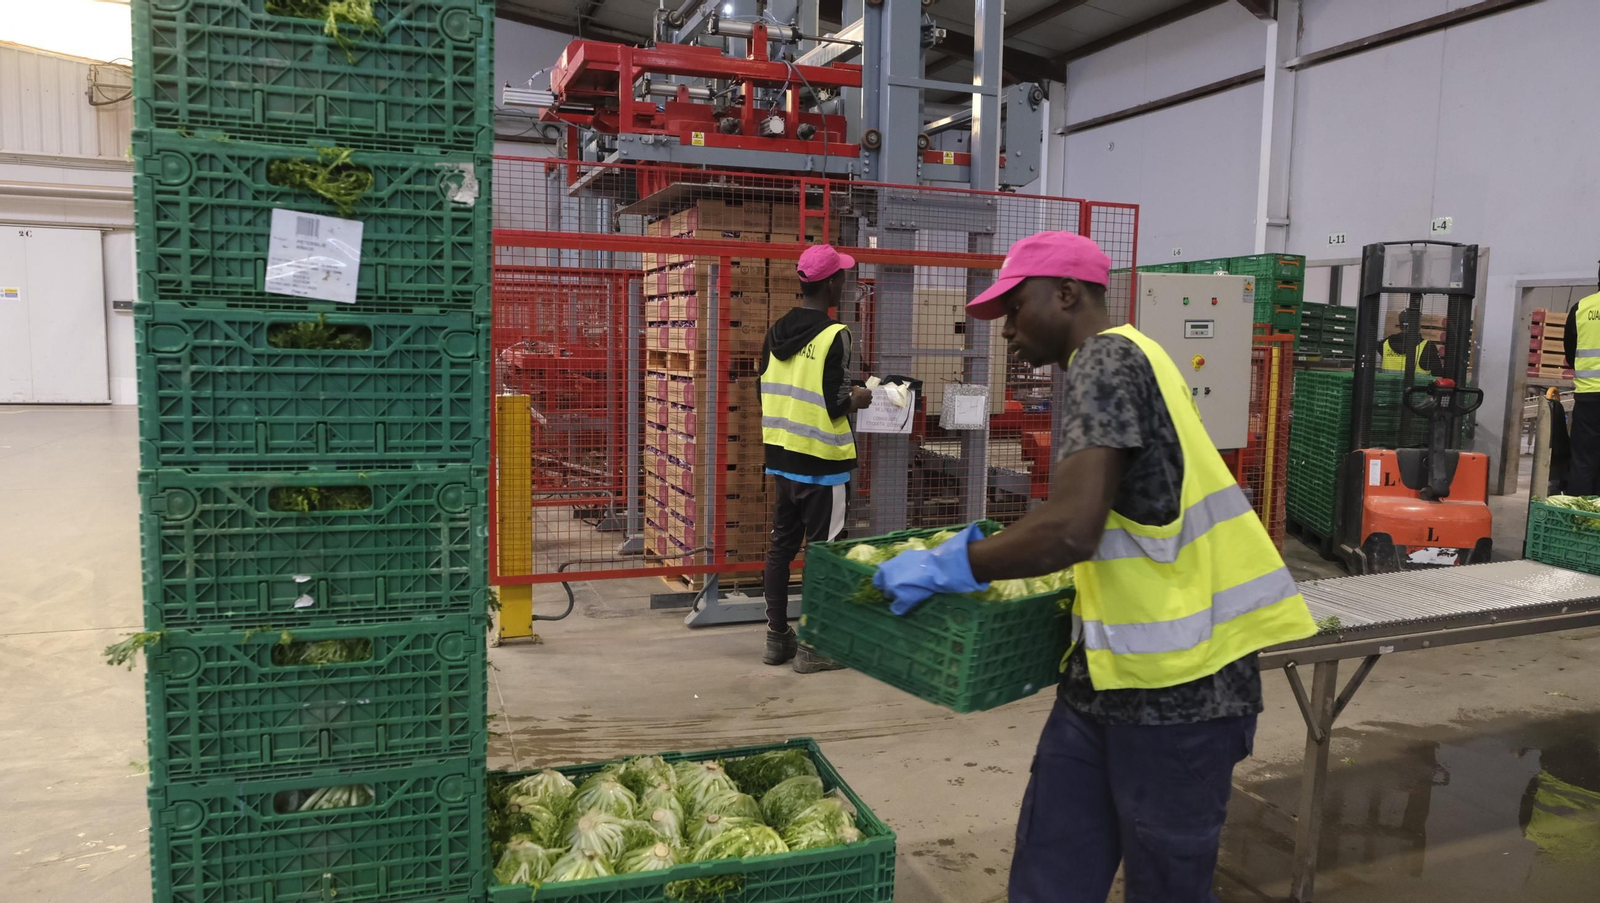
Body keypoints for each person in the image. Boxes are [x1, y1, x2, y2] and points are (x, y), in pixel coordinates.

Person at [871, 232, 1317, 903]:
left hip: (1183, 694)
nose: (1007, 331)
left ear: (1066, 294)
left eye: (1014, 310)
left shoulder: (1105, 360)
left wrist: (951, 563)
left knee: (1163, 887)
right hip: (1103, 681)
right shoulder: (1141, 353)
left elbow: (1072, 528)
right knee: (1050, 874)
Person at [759, 244, 874, 669]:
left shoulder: (776, 331)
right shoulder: (835, 334)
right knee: (826, 555)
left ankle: (777, 638)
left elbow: (769, 388)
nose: (845, 281)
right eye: (842, 275)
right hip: (824, 464)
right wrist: (859, 397)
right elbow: (835, 401)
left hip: (783, 458)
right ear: (831, 284)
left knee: (781, 548)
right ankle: (815, 646)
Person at [1562, 280, 1600, 495]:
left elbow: (1571, 354)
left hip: (1588, 399)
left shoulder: (1582, 307)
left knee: (1583, 460)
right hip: (1588, 397)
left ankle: (1579, 511)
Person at [1381, 308, 1444, 376]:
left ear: (1400, 325)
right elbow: (1438, 374)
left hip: (1388, 383)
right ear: (1418, 325)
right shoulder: (1428, 347)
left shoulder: (1385, 343)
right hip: (1417, 383)